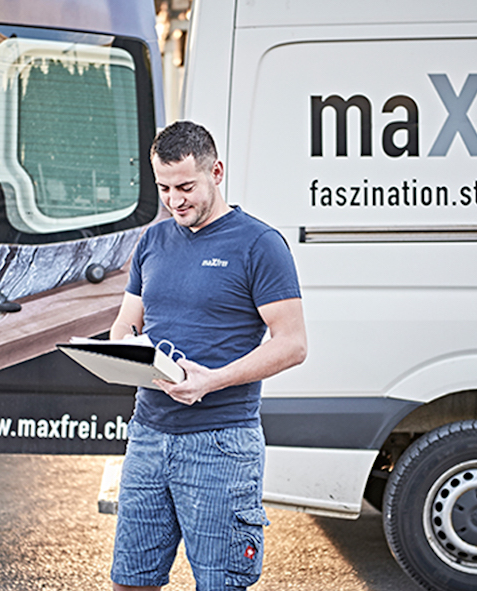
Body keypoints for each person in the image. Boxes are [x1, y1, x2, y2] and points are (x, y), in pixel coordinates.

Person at [109, 120, 307, 591]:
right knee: (130, 581)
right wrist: (122, 353)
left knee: (220, 584)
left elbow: (293, 343)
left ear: (216, 172)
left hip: (220, 444)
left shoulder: (259, 244)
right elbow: (126, 324)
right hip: (148, 436)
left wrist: (211, 380)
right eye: (164, 188)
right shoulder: (153, 242)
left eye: (185, 187)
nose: (174, 201)